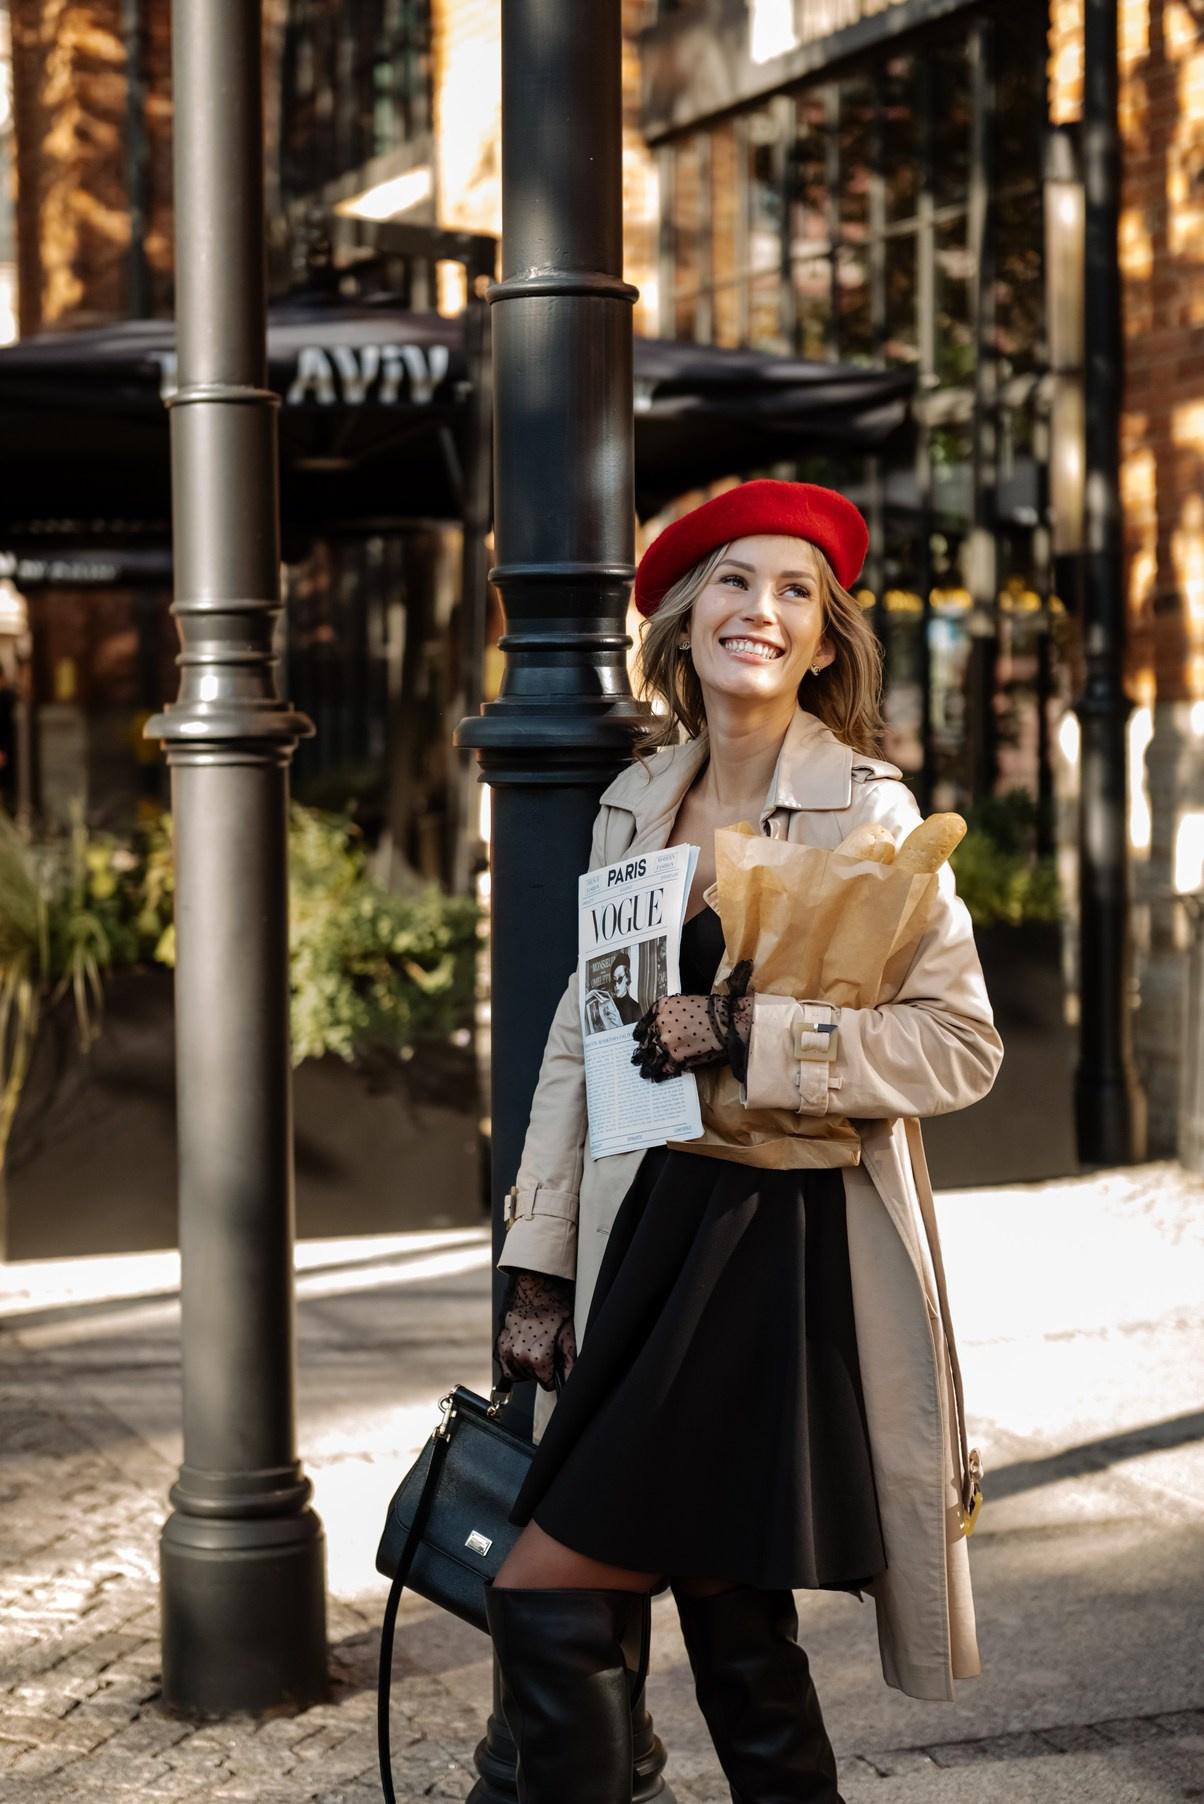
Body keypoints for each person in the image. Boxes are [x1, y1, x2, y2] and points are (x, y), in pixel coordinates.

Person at [487, 480, 1003, 1804]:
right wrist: (540, 1263)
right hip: (642, 1233)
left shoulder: (874, 813)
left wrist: (750, 1031)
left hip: (769, 1245)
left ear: (824, 642)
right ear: (684, 616)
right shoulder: (638, 800)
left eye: (791, 592)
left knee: (542, 1578)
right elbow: (580, 1043)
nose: (758, 610)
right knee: (725, 1604)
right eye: (732, 580)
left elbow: (960, 1045)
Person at [608, 951, 643, 1026]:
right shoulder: (610, 1004)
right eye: (614, 980)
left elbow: (638, 1036)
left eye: (620, 979)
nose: (616, 985)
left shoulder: (636, 1008)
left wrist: (620, 1024)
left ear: (627, 978)